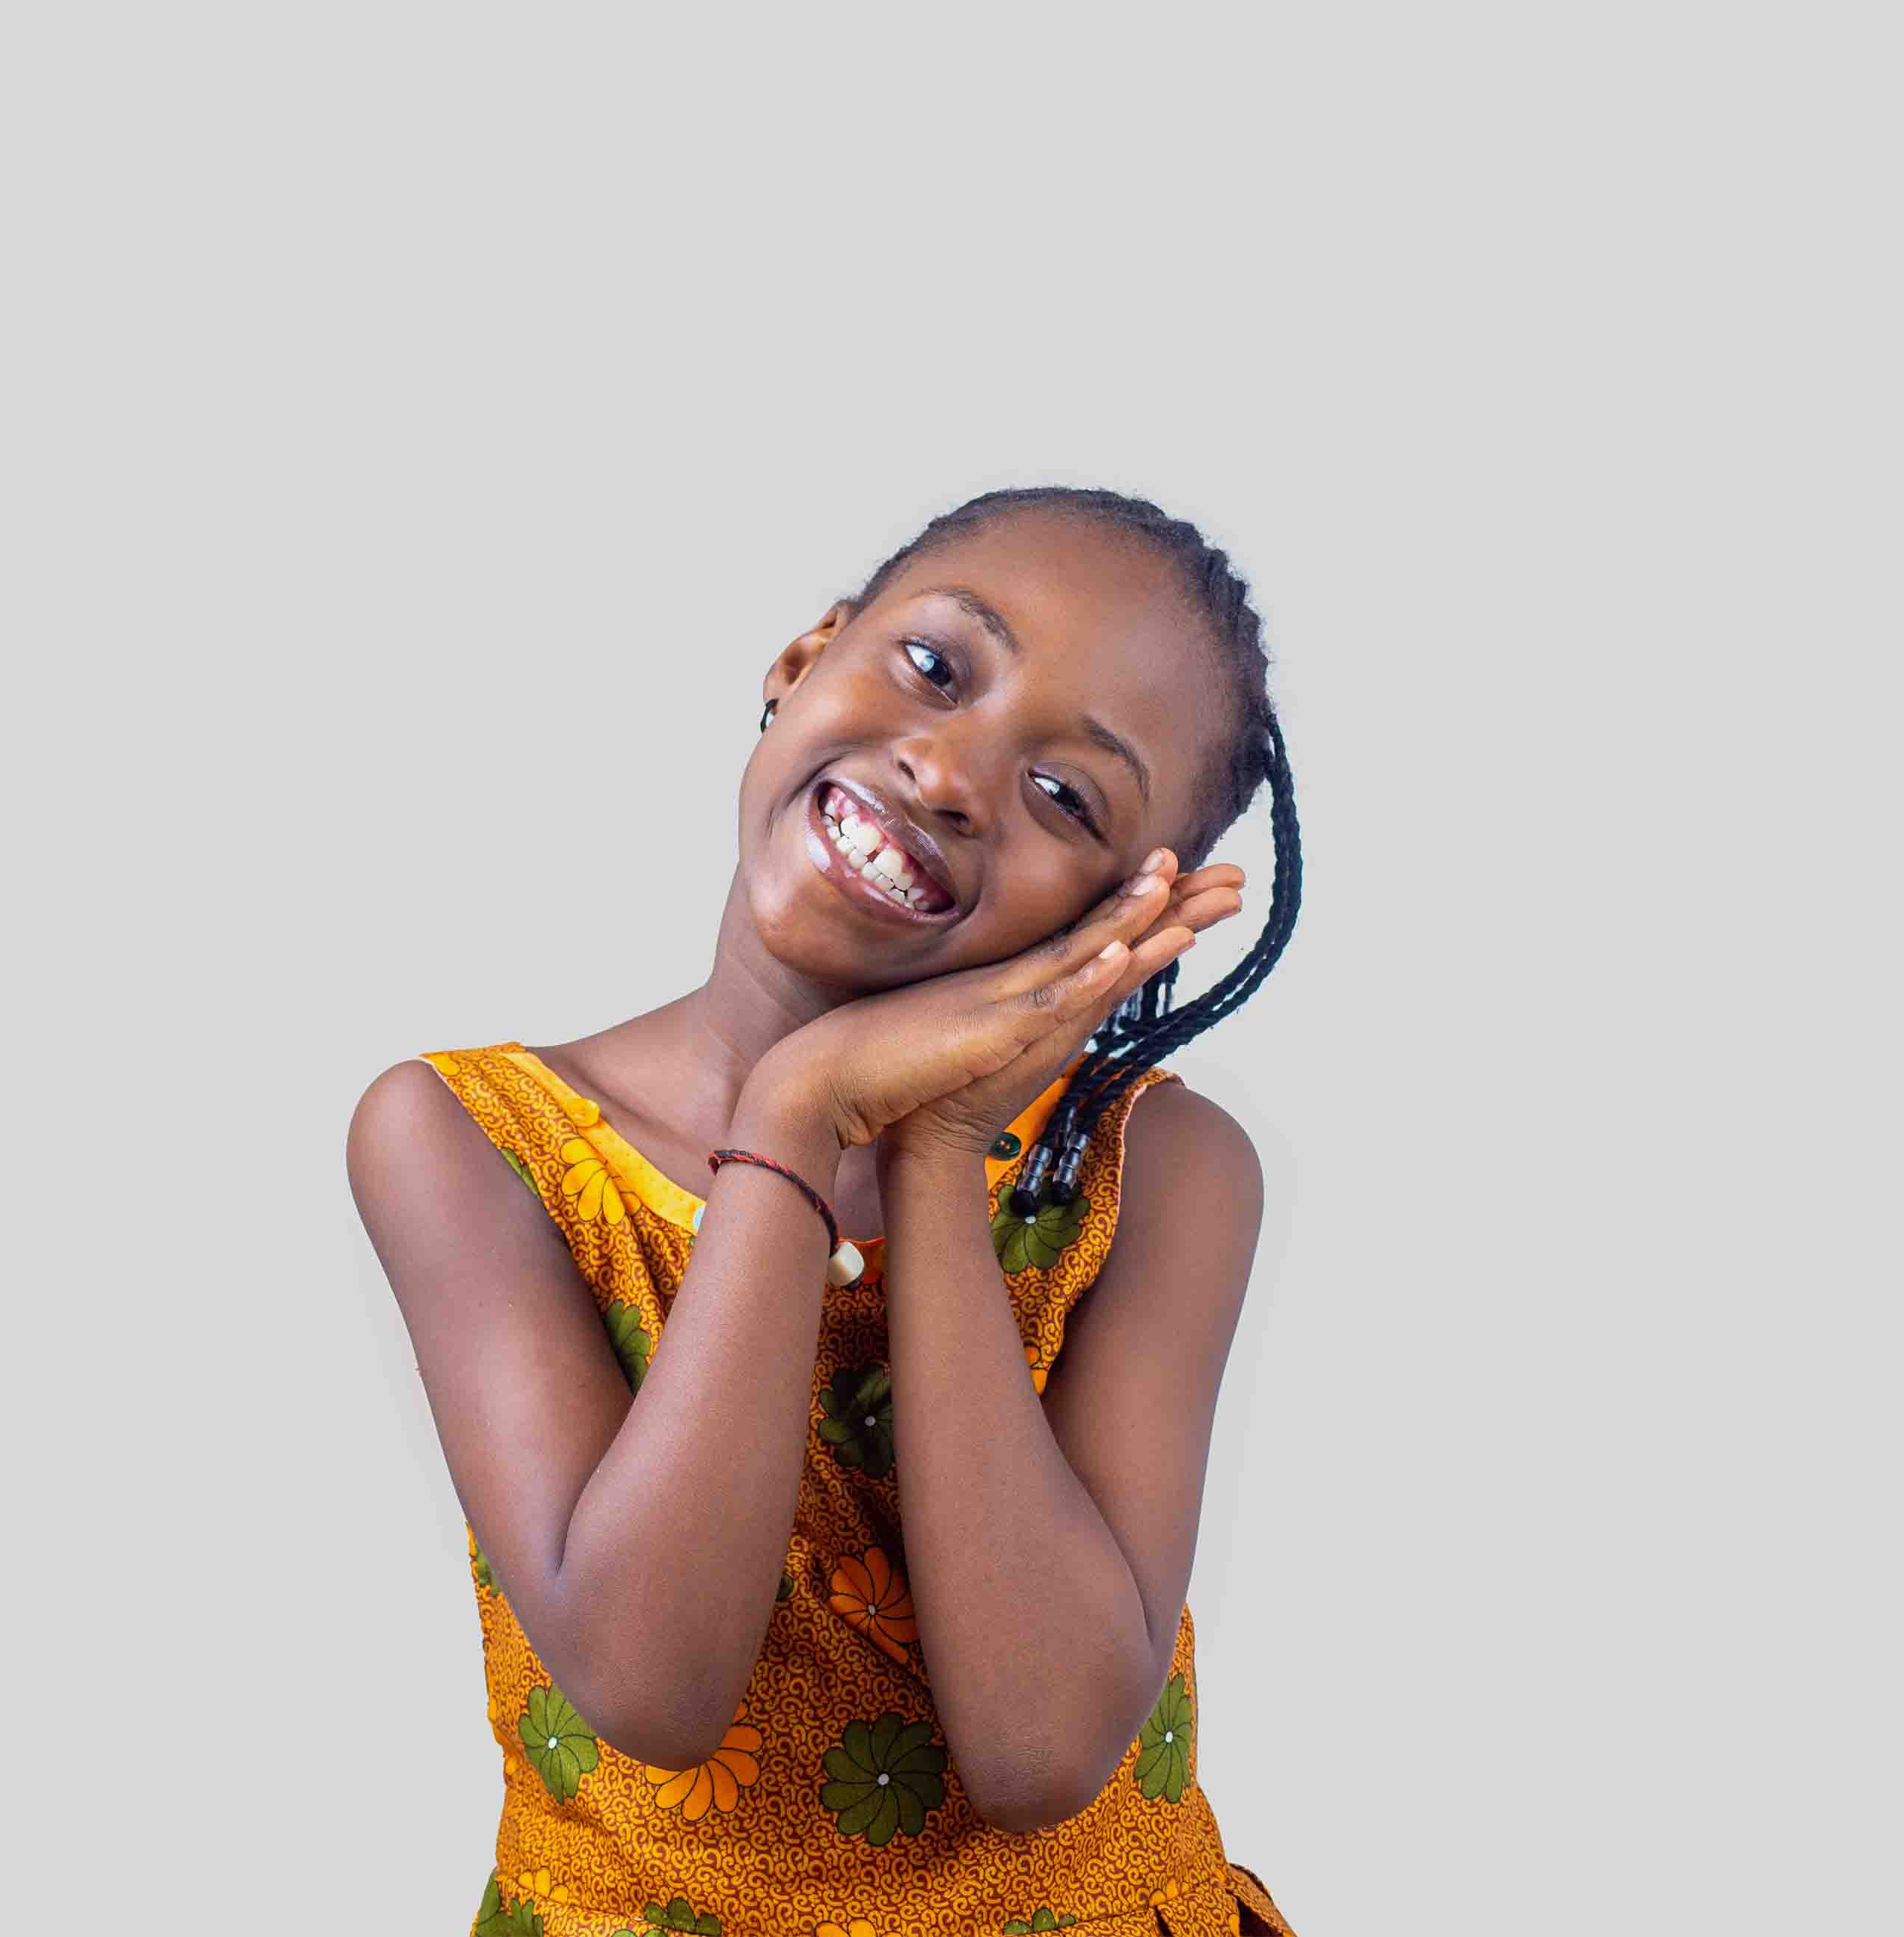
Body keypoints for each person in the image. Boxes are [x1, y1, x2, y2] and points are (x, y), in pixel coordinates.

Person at [347, 486, 1304, 1937]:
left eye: (1066, 799)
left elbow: (1040, 1751)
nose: (950, 771)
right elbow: (652, 1686)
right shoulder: (468, 1142)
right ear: (803, 655)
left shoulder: (1153, 1175)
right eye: (936, 668)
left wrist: (931, 1151)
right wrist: (795, 1118)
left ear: (1121, 908)